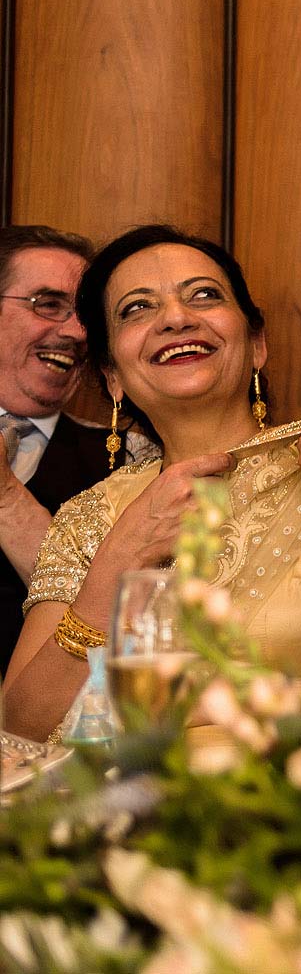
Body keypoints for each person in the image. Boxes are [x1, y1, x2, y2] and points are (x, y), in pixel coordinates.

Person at [3, 225, 301, 741]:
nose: (176, 318)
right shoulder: (90, 519)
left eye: (204, 295)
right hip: (147, 814)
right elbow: (21, 727)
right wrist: (115, 565)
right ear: (113, 376)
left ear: (256, 345)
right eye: (136, 309)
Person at [0, 226, 120, 672]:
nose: (75, 332)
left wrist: (7, 497)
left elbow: (112, 619)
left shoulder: (127, 457)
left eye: (86, 317)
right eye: (49, 305)